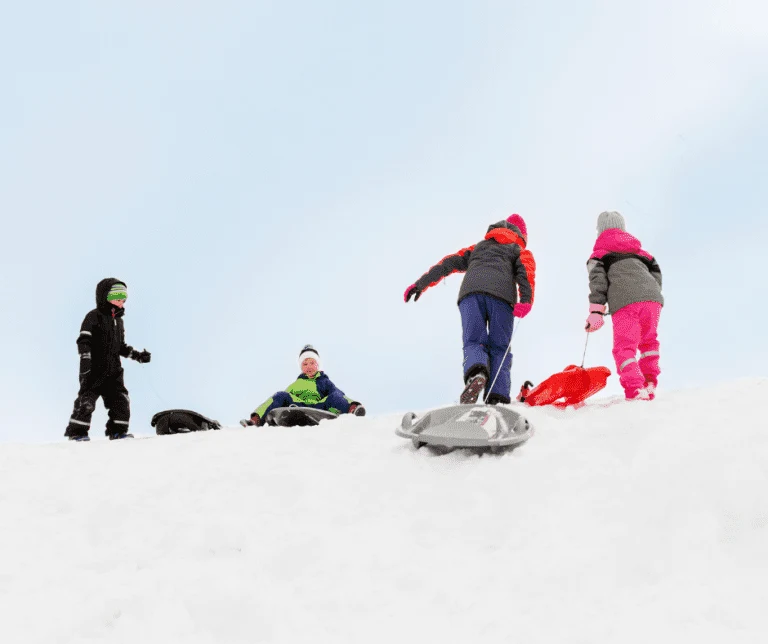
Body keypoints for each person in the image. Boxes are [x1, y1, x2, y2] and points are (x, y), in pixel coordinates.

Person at [404, 214, 536, 404]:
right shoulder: (518, 250)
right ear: (522, 236)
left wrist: (420, 284)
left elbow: (447, 263)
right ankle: (496, 397)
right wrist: (526, 300)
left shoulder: (479, 247)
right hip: (501, 297)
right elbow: (526, 274)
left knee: (474, 341)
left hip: (470, 294)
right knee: (499, 347)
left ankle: (477, 371)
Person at [585, 211, 663, 400]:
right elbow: (656, 273)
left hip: (625, 302)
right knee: (648, 342)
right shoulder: (642, 252)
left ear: (600, 231)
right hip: (652, 299)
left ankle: (635, 389)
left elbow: (598, 283)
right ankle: (649, 382)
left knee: (624, 347)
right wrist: (649, 293)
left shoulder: (599, 255)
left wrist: (596, 310)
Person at [64, 278, 151, 441]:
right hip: (94, 370)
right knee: (86, 402)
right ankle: (77, 433)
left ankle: (118, 431)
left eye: (123, 297)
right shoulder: (93, 317)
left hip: (114, 372)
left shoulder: (119, 321)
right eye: (116, 295)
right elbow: (84, 340)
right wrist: (85, 357)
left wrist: (138, 356)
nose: (121, 300)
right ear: (104, 296)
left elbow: (121, 347)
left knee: (121, 401)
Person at [244, 345, 365, 426]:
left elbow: (339, 395)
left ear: (318, 365)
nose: (309, 367)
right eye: (305, 364)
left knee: (335, 395)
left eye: (312, 363)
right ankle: (256, 420)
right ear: (301, 367)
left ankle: (353, 410)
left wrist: (354, 403)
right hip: (298, 405)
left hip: (321, 407)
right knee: (280, 395)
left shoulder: (324, 381)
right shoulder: (296, 384)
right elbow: (279, 399)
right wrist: (258, 414)